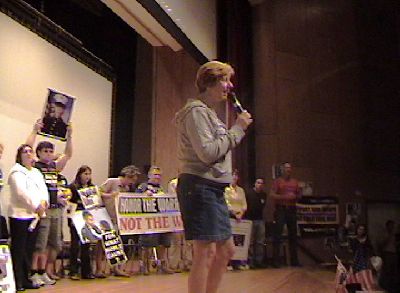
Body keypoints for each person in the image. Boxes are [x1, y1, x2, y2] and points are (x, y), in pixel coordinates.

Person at [175, 60, 253, 293]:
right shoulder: (195, 112)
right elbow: (207, 153)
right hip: (199, 186)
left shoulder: (209, 114)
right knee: (205, 252)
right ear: (210, 82)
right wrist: (237, 129)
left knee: (227, 250)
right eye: (225, 80)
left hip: (213, 189)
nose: (229, 86)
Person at [26, 120, 73, 285]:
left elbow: (67, 155)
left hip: (56, 209)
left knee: (53, 244)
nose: (48, 153)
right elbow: (27, 149)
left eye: (50, 151)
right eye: (45, 151)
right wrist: (35, 131)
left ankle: (44, 270)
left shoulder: (54, 167)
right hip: (43, 209)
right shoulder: (35, 166)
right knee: (40, 243)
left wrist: (70, 135)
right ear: (39, 153)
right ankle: (34, 272)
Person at [8, 144, 49, 291]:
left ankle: (26, 278)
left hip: (35, 216)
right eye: (25, 152)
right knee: (18, 250)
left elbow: (43, 190)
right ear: (20, 156)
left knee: (29, 249)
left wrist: (44, 203)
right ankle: (16, 280)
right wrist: (36, 206)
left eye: (30, 151)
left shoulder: (36, 172)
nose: (28, 154)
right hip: (19, 216)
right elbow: (21, 193)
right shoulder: (16, 172)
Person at [99, 164, 140, 277]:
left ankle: (116, 268)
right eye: (132, 180)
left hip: (116, 218)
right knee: (106, 244)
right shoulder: (112, 182)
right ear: (127, 176)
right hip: (105, 217)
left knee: (117, 244)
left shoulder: (126, 189)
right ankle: (103, 268)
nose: (132, 184)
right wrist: (110, 195)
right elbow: (98, 193)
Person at [136, 166, 174, 275]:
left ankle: (161, 264)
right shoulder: (143, 187)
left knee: (163, 242)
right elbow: (134, 199)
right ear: (149, 175)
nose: (157, 177)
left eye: (159, 175)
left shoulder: (161, 188)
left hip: (160, 220)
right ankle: (144, 265)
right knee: (147, 244)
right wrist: (144, 195)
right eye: (155, 174)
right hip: (147, 220)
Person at [270, 162, 302, 267]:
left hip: (292, 210)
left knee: (293, 235)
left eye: (290, 168)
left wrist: (296, 196)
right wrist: (285, 197)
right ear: (283, 170)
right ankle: (276, 261)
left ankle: (294, 261)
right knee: (277, 235)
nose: (288, 170)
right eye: (286, 168)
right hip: (281, 210)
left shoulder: (295, 182)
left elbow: (299, 195)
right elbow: (272, 195)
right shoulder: (278, 181)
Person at [68, 165, 97, 280]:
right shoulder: (73, 187)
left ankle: (86, 271)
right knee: (75, 245)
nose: (87, 176)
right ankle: (73, 271)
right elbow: (69, 204)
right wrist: (70, 219)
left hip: (87, 218)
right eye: (85, 174)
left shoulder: (92, 188)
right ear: (79, 174)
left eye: (89, 174)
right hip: (75, 217)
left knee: (86, 245)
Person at [224, 169, 247, 270]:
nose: (234, 178)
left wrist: (241, 213)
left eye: (236, 176)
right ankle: (228, 262)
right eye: (233, 176)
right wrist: (234, 213)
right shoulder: (226, 189)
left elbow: (244, 204)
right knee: (230, 240)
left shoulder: (241, 190)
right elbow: (227, 203)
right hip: (230, 216)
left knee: (239, 240)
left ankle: (237, 262)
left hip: (240, 216)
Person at [244, 178, 267, 269]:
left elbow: (262, 206)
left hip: (260, 220)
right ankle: (250, 261)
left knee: (260, 242)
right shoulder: (249, 193)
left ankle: (259, 261)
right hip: (250, 220)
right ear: (255, 183)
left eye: (261, 183)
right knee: (250, 242)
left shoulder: (264, 195)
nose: (260, 184)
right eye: (258, 182)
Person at [378, 220, 399, 292]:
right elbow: (380, 244)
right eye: (391, 226)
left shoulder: (395, 235)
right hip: (387, 254)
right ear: (388, 226)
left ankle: (393, 287)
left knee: (394, 271)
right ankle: (387, 287)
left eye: (393, 226)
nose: (392, 227)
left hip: (394, 254)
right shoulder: (385, 234)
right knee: (387, 271)